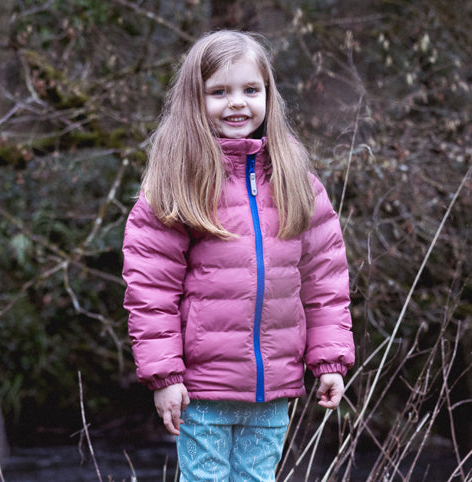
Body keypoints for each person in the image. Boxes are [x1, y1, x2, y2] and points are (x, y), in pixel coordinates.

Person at [121, 30, 355, 481]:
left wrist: (330, 360)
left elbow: (326, 282)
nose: (237, 103)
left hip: (273, 391)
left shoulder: (296, 182)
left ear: (269, 94)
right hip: (202, 391)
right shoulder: (178, 183)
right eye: (219, 92)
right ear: (195, 99)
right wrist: (166, 376)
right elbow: (150, 292)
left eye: (251, 89)